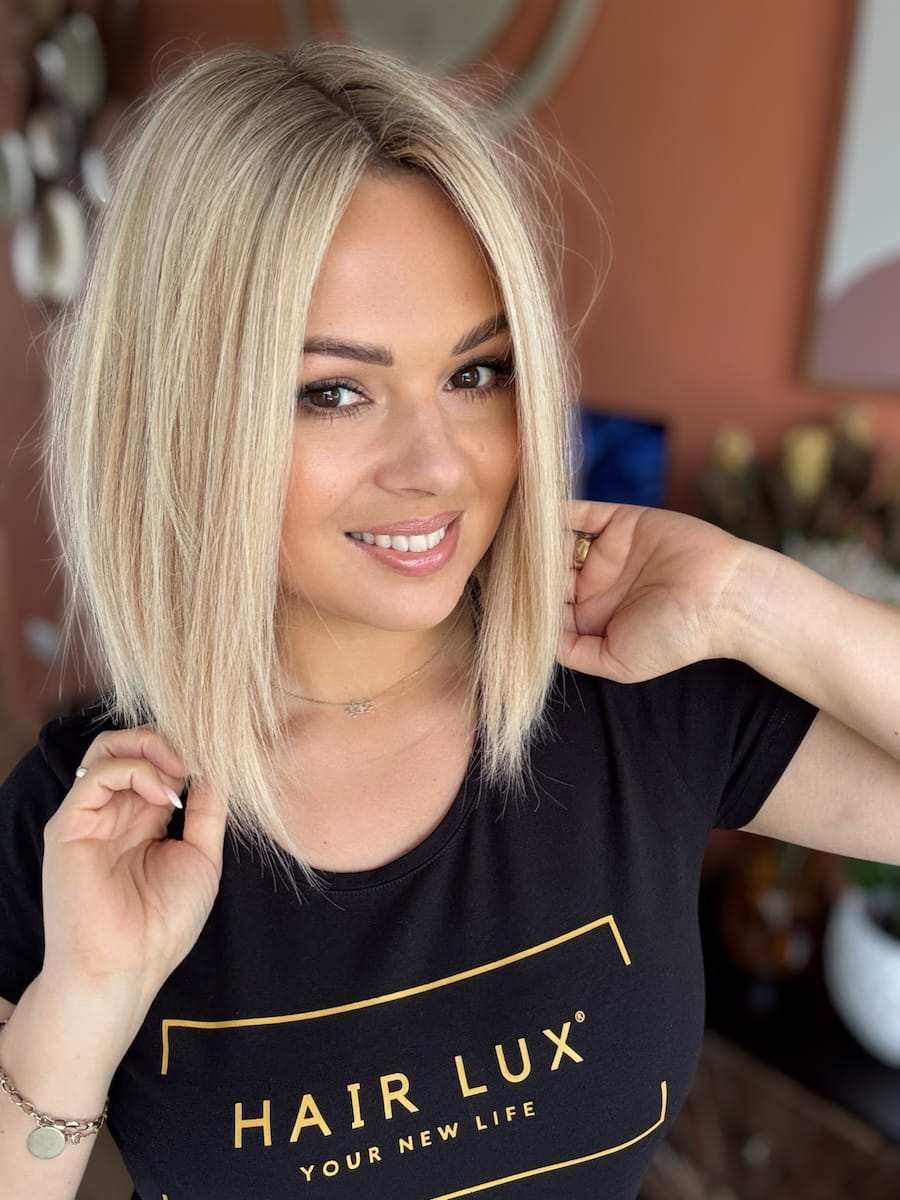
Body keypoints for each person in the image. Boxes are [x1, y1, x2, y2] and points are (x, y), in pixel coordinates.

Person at [0, 42, 898, 1200]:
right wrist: (82, 1002)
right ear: (187, 416)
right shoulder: (90, 825)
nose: (437, 466)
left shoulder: (639, 695)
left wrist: (751, 598)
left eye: (477, 375)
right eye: (334, 391)